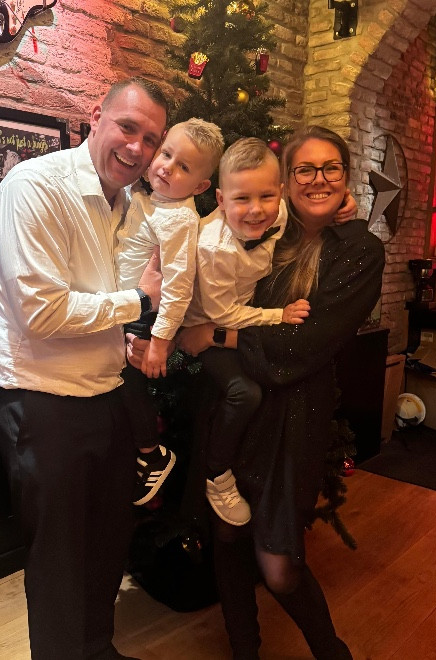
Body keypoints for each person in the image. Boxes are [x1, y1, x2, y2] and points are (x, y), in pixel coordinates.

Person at [171, 125, 385, 658]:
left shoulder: (359, 249)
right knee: (226, 536)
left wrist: (213, 336)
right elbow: (204, 225)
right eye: (305, 169)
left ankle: (331, 652)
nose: (319, 179)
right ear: (287, 181)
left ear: (346, 176)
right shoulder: (269, 229)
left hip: (293, 418)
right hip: (234, 405)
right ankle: (245, 651)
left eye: (331, 168)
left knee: (279, 564)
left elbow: (304, 345)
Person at [0, 77, 168, 660]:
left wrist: (129, 333)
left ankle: (97, 651)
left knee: (107, 544)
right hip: (41, 400)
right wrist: (138, 303)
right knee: (59, 561)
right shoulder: (33, 186)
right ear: (96, 116)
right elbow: (40, 313)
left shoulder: (131, 205)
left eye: (151, 139)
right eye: (128, 128)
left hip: (106, 393)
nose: (137, 148)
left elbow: (99, 293)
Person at [181, 137, 312, 526]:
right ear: (221, 200)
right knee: (245, 392)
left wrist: (343, 207)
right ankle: (216, 473)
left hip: (244, 312)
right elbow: (222, 314)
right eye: (242, 199)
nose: (256, 210)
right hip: (206, 325)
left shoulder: (280, 212)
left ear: (280, 194)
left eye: (266, 196)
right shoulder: (214, 248)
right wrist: (278, 316)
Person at [116, 117, 225, 506]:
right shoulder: (147, 197)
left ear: (200, 187)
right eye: (166, 154)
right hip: (123, 303)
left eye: (183, 167)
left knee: (125, 379)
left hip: (145, 315)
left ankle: (152, 453)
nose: (166, 167)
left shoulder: (181, 219)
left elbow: (178, 288)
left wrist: (161, 341)